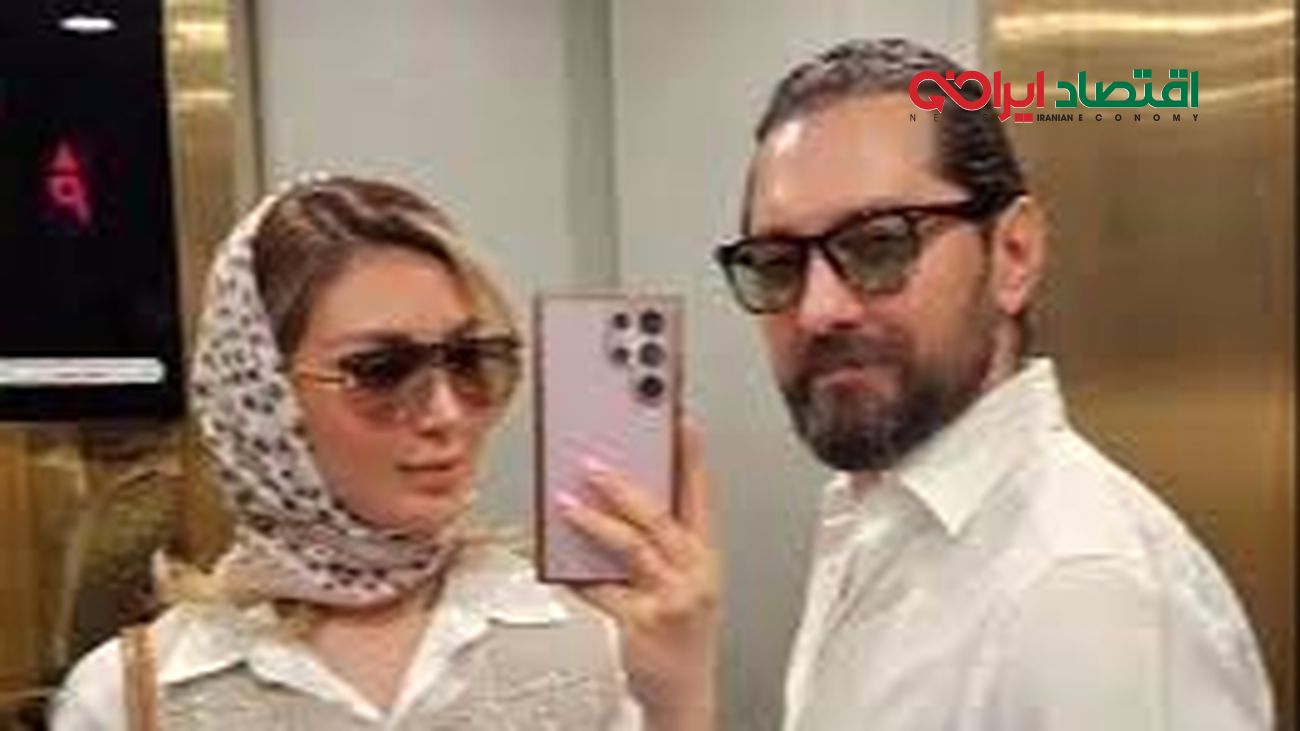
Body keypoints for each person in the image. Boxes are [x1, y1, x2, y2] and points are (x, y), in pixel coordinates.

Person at [712, 38, 1273, 730]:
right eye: (776, 261)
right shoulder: (874, 519)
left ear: (1013, 254)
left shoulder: (1083, 588)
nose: (818, 309)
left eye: (880, 243)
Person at [52, 175, 718, 730]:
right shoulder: (130, 697)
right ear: (259, 398)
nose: (447, 413)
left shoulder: (593, 640)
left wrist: (680, 698)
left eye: (469, 358)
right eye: (380, 369)